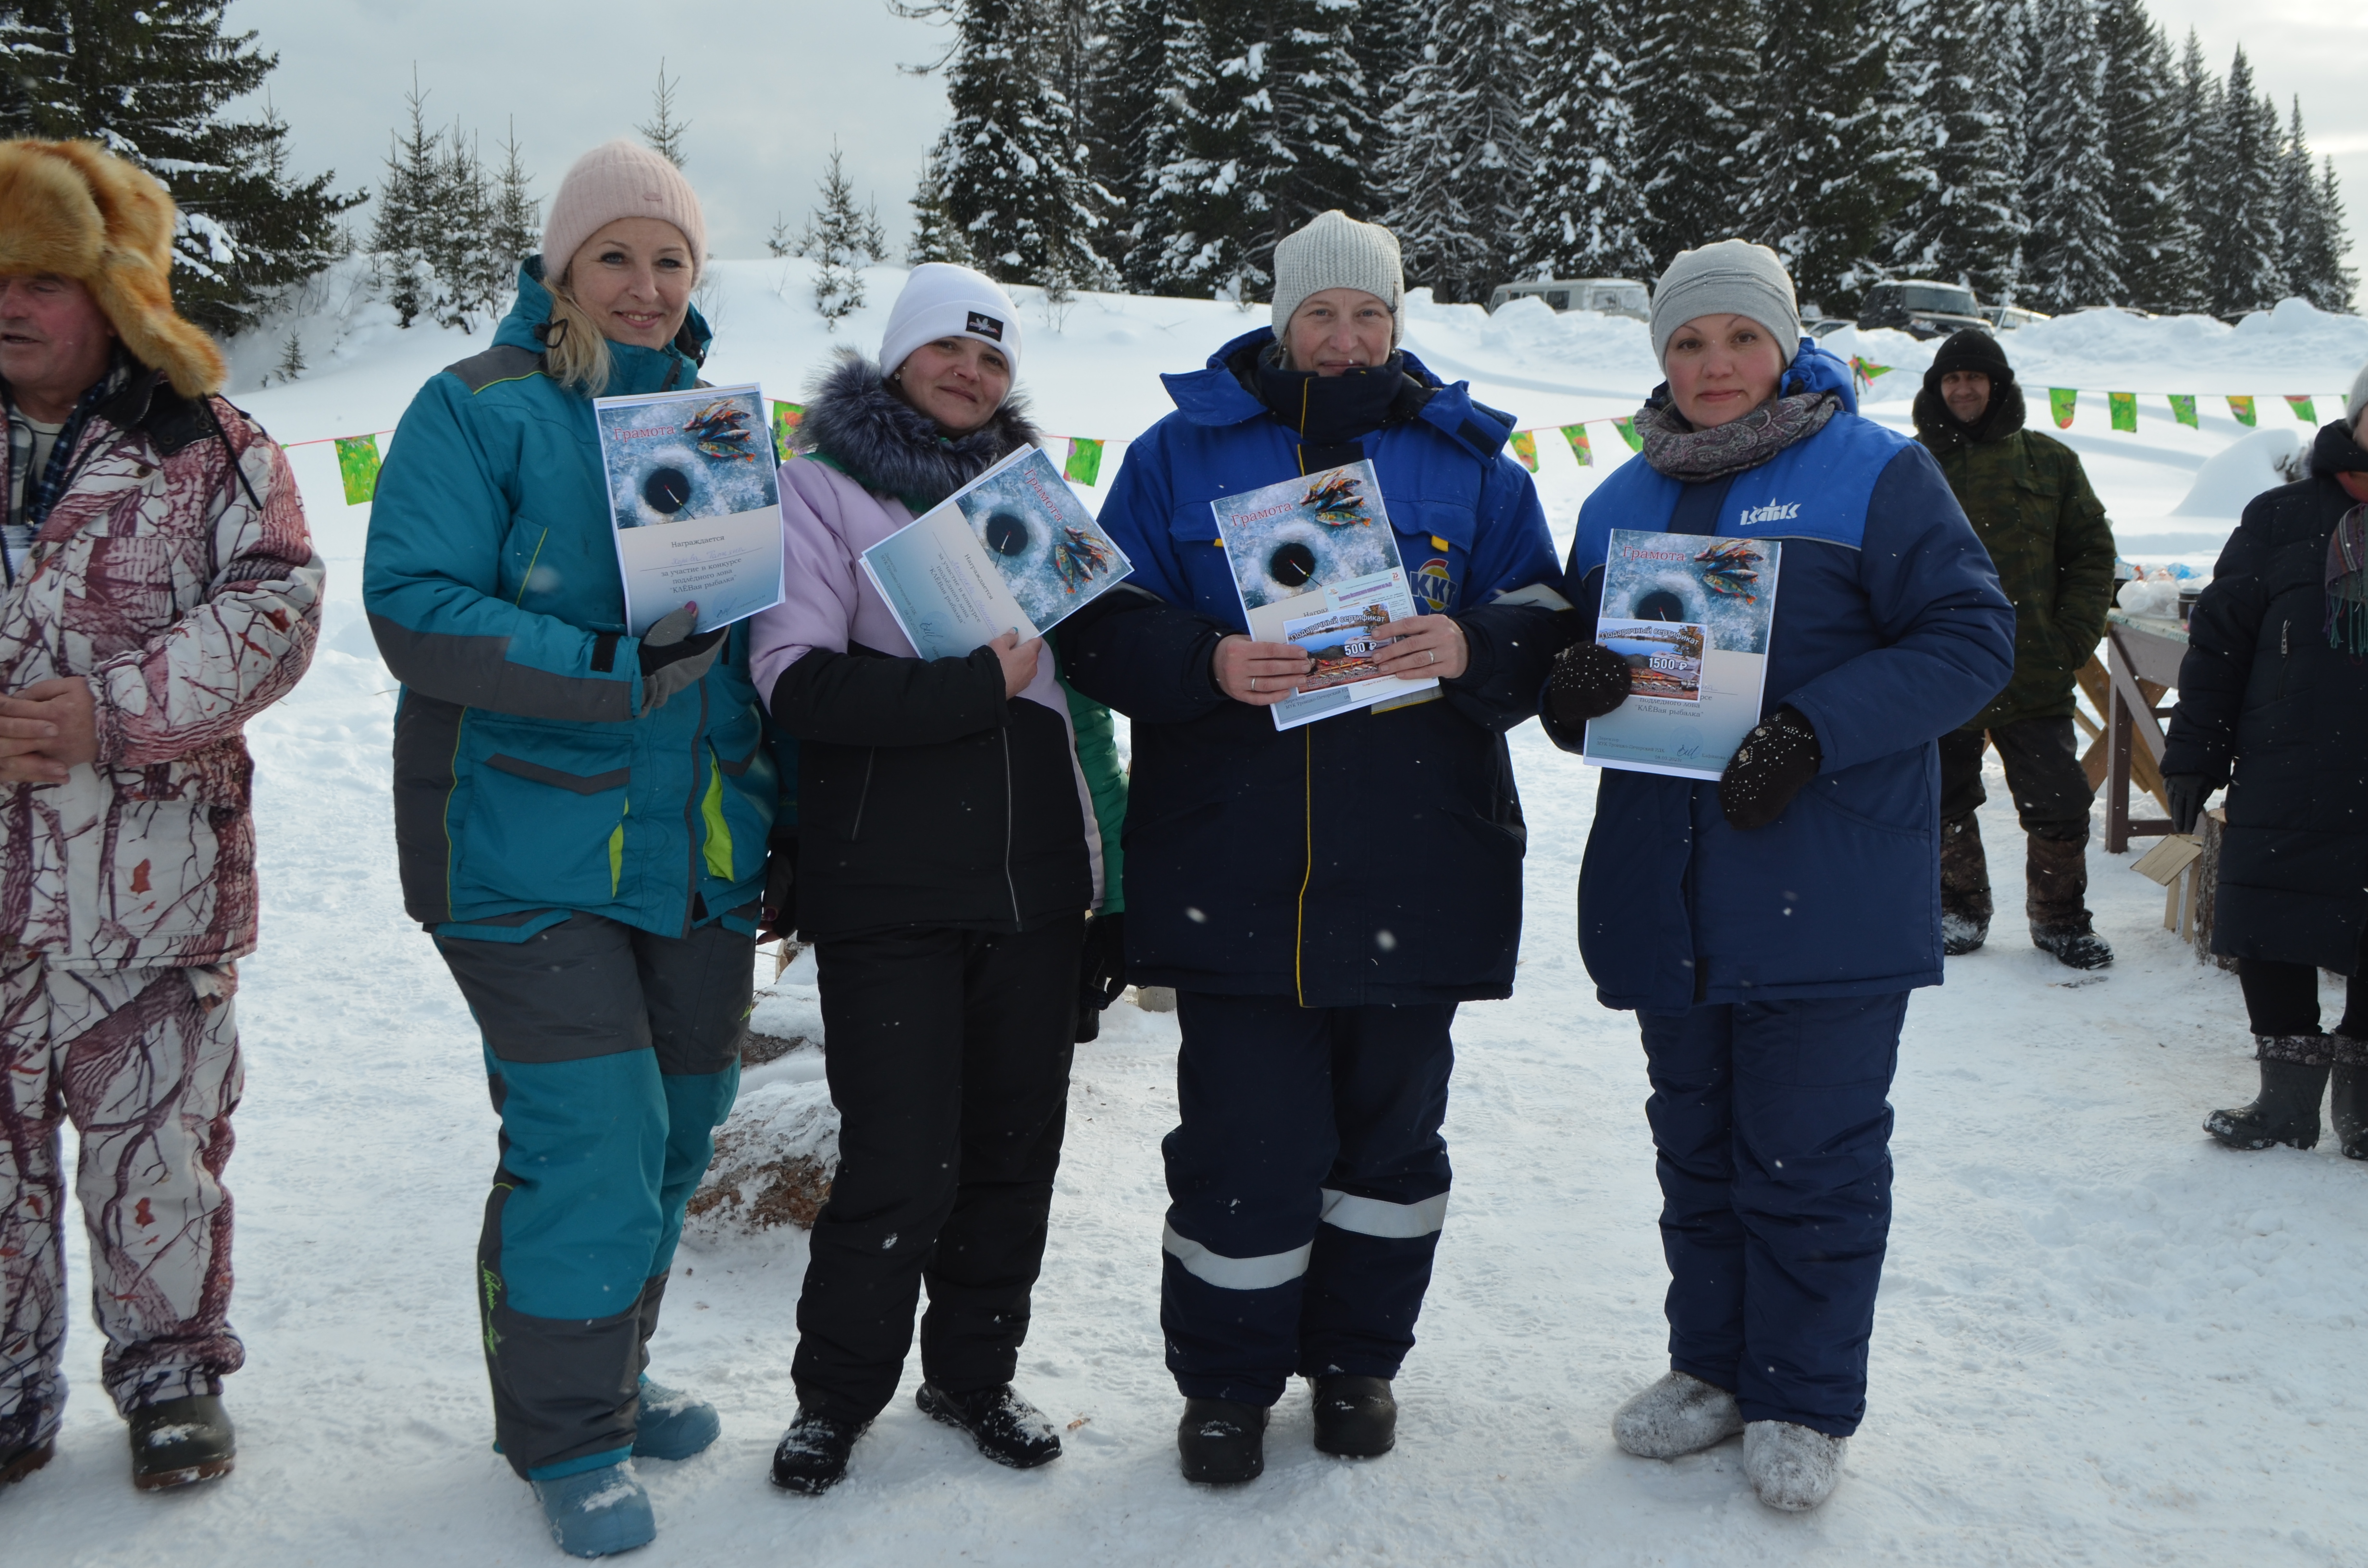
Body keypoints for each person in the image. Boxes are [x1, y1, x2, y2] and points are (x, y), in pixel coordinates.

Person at [1061, 210, 1566, 1484]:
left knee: (1390, 1146)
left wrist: (1475, 646)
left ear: (1399, 325)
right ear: (1280, 321)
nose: (1344, 340)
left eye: (1369, 317)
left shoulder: (1478, 467)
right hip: (1236, 867)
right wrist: (1205, 658)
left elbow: (1555, 616)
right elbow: (1097, 616)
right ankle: (1226, 1384)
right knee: (1246, 1145)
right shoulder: (1178, 457)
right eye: (1320, 316)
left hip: (1421, 858)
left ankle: (1358, 1362)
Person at [364, 140, 790, 1559]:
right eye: (616, 255)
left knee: (676, 1140)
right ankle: (565, 1435)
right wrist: (615, 660)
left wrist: (776, 824)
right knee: (593, 1145)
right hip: (519, 853)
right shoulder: (478, 409)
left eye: (670, 260)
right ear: (560, 267)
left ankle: (604, 1362)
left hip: (695, 861)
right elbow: (414, 606)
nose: (647, 284)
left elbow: (746, 663)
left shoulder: (723, 428)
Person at [1540, 241, 2012, 1511]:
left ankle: (1802, 1392)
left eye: (1739, 339)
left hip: (1825, 886)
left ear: (1786, 345)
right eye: (1688, 344)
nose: (1714, 365)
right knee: (1695, 1151)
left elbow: (1974, 636)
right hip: (1666, 887)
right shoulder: (1619, 497)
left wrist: (1816, 729)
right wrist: (1574, 696)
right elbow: (1590, 680)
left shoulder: (1873, 472)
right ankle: (1712, 1370)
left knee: (1810, 1158)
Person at [747, 264, 1128, 1495]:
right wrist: (975, 686)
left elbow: (1080, 716)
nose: (971, 374)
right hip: (888, 889)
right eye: (948, 353)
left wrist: (1105, 882)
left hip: (1029, 888)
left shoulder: (1037, 505)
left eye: (995, 359)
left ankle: (973, 1373)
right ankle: (835, 1398)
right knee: (900, 1161)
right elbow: (796, 682)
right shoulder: (817, 490)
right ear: (899, 360)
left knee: (1015, 1154)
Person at [0, 140, 322, 1493]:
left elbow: (281, 606)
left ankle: (171, 1373)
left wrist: (113, 708)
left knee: (160, 1143)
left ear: (116, 288)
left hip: (156, 884)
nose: (10, 303)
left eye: (44, 279)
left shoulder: (210, 448)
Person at [2163, 360, 2368, 1161]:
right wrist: (2192, 755)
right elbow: (2220, 642)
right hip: (2291, 765)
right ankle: (2283, 1106)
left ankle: (2363, 1109)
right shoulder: (2281, 516)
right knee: (2273, 925)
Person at [1912, 329, 2117, 968]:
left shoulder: (2049, 462)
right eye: (1951, 380)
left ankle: (2061, 919)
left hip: (2035, 667)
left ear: (1998, 387)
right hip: (1941, 666)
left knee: (2059, 800)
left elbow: (2091, 554)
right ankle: (1958, 910)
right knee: (1942, 796)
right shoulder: (1911, 465)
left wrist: (2072, 638)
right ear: (1936, 390)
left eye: (1975, 379)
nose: (1963, 389)